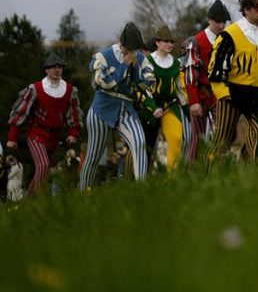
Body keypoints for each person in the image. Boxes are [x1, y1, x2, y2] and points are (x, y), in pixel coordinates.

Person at [80, 22, 159, 189]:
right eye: (130, 49)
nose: (132, 53)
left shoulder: (139, 58)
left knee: (139, 142)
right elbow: (103, 83)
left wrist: (138, 73)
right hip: (102, 109)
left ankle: (142, 189)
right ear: (122, 44)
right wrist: (124, 66)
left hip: (126, 109)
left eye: (135, 50)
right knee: (93, 157)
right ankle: (83, 192)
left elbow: (149, 81)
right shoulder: (104, 56)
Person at [207, 0, 258, 164]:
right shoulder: (230, 35)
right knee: (222, 140)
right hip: (232, 92)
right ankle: (209, 175)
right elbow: (215, 70)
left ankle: (254, 172)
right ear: (246, 10)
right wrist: (223, 93)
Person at [7, 54, 83, 196]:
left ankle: (28, 201)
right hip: (36, 133)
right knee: (43, 165)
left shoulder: (69, 90)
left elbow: (74, 114)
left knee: (45, 171)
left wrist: (73, 133)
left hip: (54, 137)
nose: (56, 70)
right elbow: (20, 112)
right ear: (47, 70)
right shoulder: (36, 88)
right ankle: (36, 200)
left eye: (59, 67)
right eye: (53, 67)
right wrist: (12, 137)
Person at [181, 0, 230, 158]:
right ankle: (193, 170)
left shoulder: (227, 41)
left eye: (223, 22)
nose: (221, 26)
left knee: (223, 134)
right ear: (209, 20)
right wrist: (193, 101)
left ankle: (218, 168)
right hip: (200, 95)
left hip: (219, 96)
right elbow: (190, 74)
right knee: (198, 139)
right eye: (218, 22)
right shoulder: (195, 42)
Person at [146, 25, 191, 170]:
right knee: (146, 146)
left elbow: (179, 90)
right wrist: (152, 107)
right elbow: (143, 89)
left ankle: (173, 177)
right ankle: (139, 178)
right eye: (166, 41)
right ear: (157, 42)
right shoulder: (148, 61)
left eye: (172, 42)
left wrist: (187, 110)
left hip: (170, 106)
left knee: (176, 139)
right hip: (150, 107)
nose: (170, 44)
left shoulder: (176, 64)